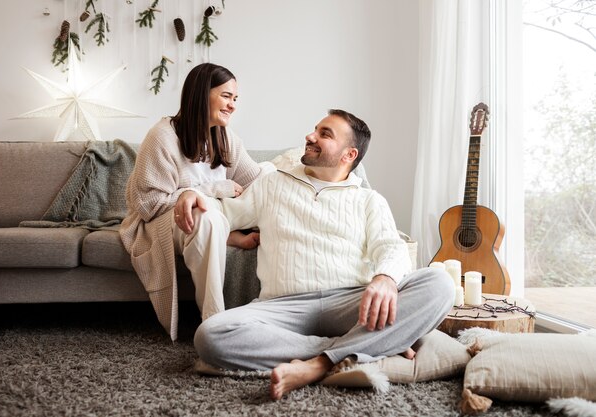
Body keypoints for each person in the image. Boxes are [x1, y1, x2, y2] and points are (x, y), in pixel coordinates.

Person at [177, 109, 454, 400]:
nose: (310, 137)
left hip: (350, 303)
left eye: (325, 134)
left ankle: (318, 364)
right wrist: (195, 195)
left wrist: (385, 278)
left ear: (349, 155)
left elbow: (390, 245)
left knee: (440, 284)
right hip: (282, 308)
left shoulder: (368, 199)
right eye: (315, 130)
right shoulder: (272, 184)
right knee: (210, 335)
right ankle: (358, 346)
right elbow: (223, 213)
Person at [120, 63, 272, 342]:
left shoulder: (226, 138)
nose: (233, 105)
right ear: (202, 94)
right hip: (163, 222)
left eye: (235, 99)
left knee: (271, 179)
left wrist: (297, 174)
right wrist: (207, 190)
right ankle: (214, 325)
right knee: (205, 216)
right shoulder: (163, 136)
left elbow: (255, 181)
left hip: (210, 213)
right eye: (226, 96)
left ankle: (226, 237)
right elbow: (148, 204)